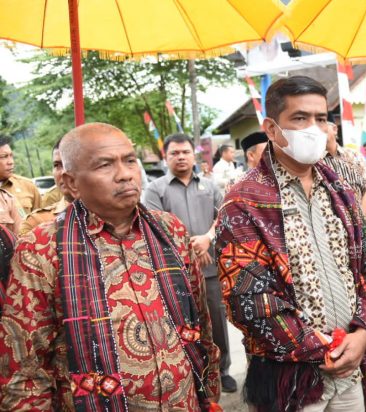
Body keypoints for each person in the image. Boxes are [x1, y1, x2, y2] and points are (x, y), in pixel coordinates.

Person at [0, 123, 220, 410]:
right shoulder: (41, 248)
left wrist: (209, 394)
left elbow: (200, 325)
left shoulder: (171, 230)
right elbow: (25, 371)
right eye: (105, 165)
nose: (125, 174)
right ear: (71, 182)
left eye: (129, 160)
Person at [215, 76, 366, 412]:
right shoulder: (243, 202)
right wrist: (324, 349)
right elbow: (247, 299)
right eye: (300, 118)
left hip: (351, 370)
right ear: (271, 128)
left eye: (320, 118)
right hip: (293, 381)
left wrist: (363, 334)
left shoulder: (342, 192)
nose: (313, 128)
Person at [143, 133, 236, 394]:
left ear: (193, 156)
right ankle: (192, 375)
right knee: (182, 325)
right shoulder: (155, 190)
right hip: (174, 273)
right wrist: (191, 250)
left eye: (185, 152)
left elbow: (224, 217)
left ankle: (222, 370)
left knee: (217, 323)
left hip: (210, 270)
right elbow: (153, 227)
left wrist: (208, 238)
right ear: (166, 157)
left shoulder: (209, 186)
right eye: (175, 153)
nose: (181, 157)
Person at [322, 121, 366, 216]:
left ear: (335, 129)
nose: (318, 129)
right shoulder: (312, 163)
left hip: (360, 220)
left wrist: (360, 220)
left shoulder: (354, 156)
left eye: (321, 121)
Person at [20, 139, 74, 235]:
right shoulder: (36, 222)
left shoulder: (104, 214)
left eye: (70, 164)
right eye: (57, 165)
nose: (63, 172)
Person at [0, 135, 41, 215]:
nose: (11, 162)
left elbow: (41, 219)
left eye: (11, 156)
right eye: (4, 157)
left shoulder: (28, 186)